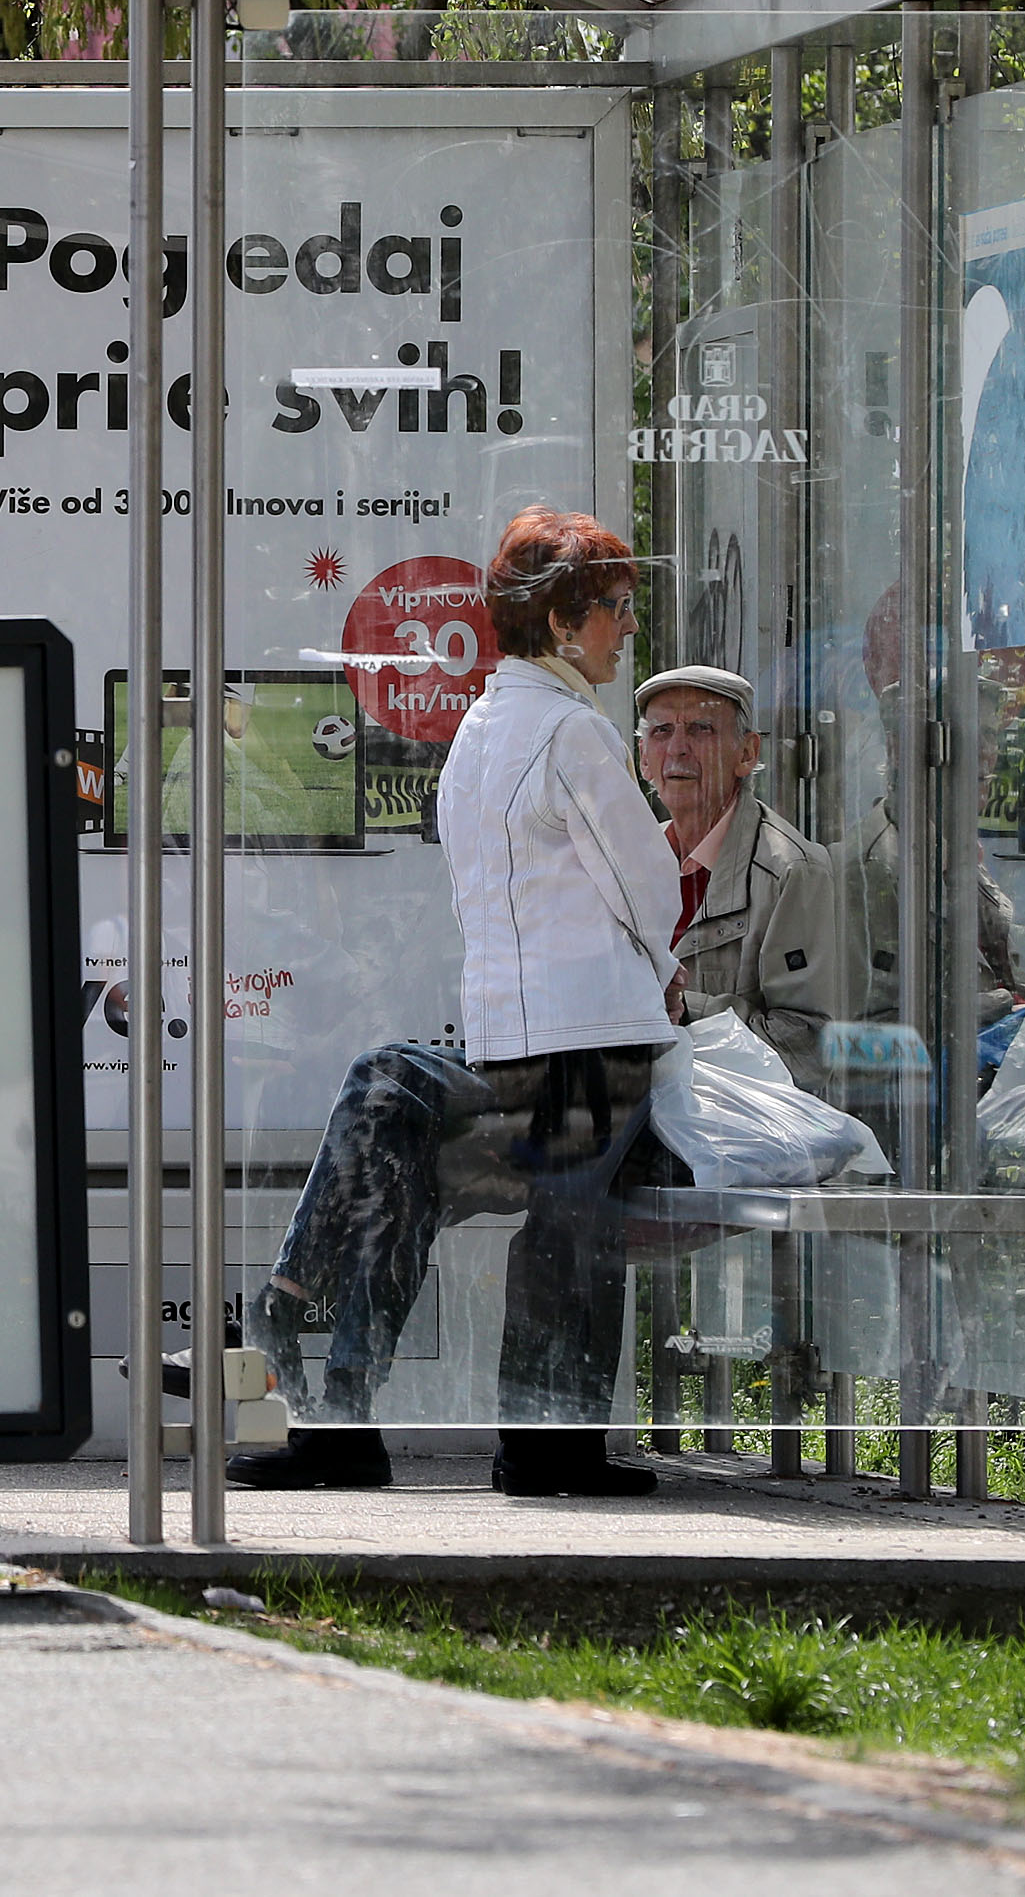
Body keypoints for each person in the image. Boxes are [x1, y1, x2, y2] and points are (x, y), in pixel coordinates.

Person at [236, 505, 684, 1498]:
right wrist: (659, 966)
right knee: (572, 1237)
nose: (624, 628)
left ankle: (336, 1404)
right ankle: (547, 1447)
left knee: (461, 1175)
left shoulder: (481, 724)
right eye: (612, 608)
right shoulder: (574, 733)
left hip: (508, 1028)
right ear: (562, 621)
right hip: (593, 1025)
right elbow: (648, 887)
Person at [634, 666, 844, 1063]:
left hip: (734, 1122)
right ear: (644, 759)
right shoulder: (628, 859)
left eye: (700, 729)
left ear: (746, 754)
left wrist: (685, 1011)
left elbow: (808, 1047)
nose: (677, 748)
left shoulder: (791, 870)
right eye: (661, 731)